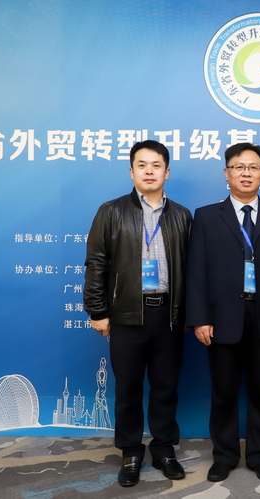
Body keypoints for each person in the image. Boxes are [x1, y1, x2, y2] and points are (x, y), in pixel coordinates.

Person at [186, 142, 260, 483]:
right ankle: (224, 456)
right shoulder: (207, 216)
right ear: (227, 173)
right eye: (239, 167)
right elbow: (196, 271)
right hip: (222, 319)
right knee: (223, 392)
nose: (246, 173)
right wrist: (200, 318)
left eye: (253, 167)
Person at [84, 140, 192, 487]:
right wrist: (98, 311)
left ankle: (163, 449)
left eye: (156, 165)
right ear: (131, 171)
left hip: (168, 315)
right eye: (142, 165)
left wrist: (189, 314)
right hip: (127, 314)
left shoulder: (181, 215)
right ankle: (130, 451)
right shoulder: (111, 211)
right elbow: (96, 264)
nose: (149, 171)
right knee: (128, 388)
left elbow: (192, 270)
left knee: (166, 387)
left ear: (167, 172)